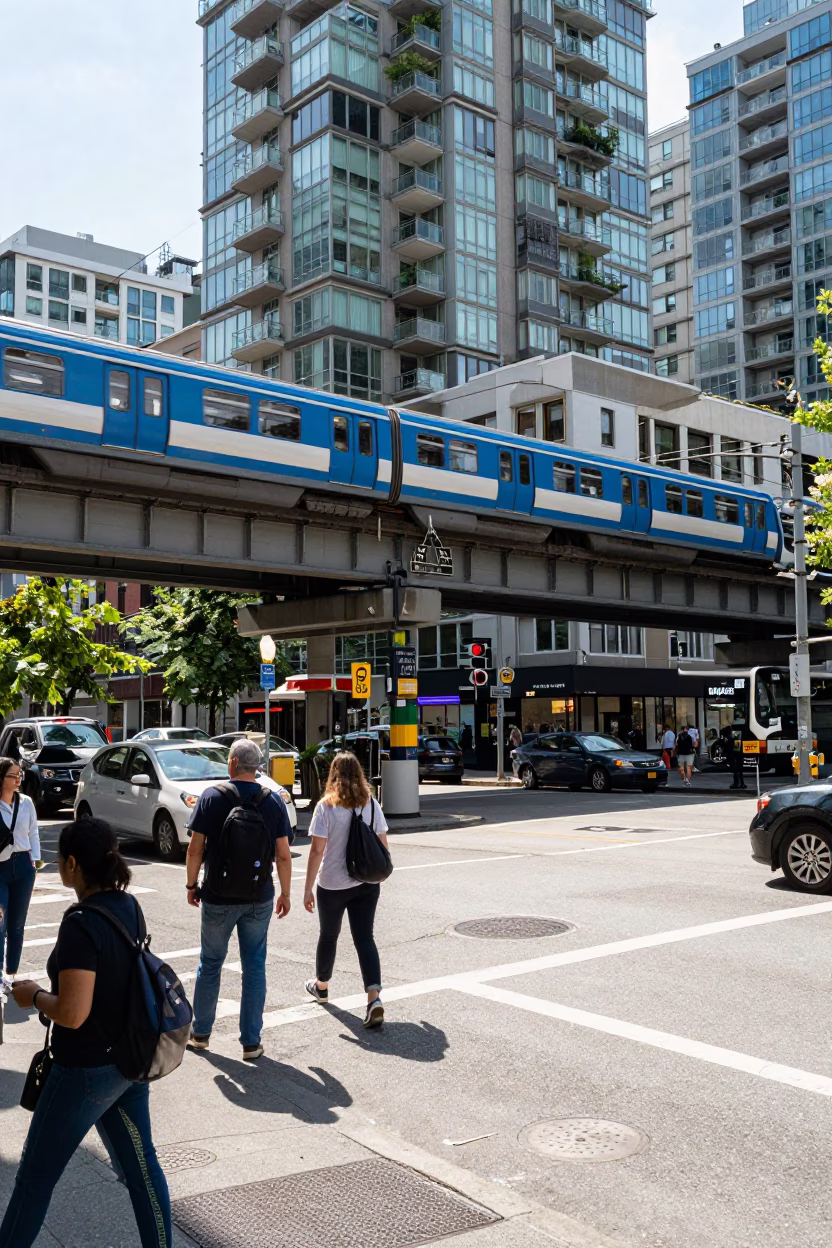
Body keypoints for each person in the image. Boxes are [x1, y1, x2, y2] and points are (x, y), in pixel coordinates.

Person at [1, 819, 171, 1248]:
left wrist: (34, 996)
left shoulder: (80, 922)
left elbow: (73, 1013)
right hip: (128, 1062)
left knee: (34, 1181)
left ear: (72, 864)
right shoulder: (127, 906)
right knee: (143, 1171)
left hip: (84, 1071)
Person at [186, 738, 292, 1060]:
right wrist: (286, 893)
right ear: (257, 768)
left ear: (232, 764)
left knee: (211, 963)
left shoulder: (211, 797)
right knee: (254, 966)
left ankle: (201, 1034)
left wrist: (192, 885)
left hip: (217, 897)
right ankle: (250, 1042)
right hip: (259, 897)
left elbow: (195, 849)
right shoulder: (273, 802)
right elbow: (284, 856)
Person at [303, 752, 389, 1028]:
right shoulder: (372, 804)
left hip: (332, 884)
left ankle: (322, 986)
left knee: (329, 936)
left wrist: (307, 889)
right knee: (365, 938)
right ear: (360, 775)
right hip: (366, 883)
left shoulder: (325, 807)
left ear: (333, 775)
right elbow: (383, 847)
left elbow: (317, 851)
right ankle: (373, 999)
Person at [0, 756, 41, 998]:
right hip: (0, 869)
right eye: (13, 775)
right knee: (1, 924)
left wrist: (35, 862)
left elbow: (34, 833)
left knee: (17, 924)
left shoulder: (26, 803)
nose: (18, 779)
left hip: (24, 867)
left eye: (19, 775)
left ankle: (11, 974)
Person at [723, 725, 747, 790]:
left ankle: (736, 783)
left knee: (735, 770)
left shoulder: (730, 738)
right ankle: (742, 783)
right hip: (739, 754)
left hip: (734, 755)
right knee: (740, 770)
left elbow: (729, 748)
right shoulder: (738, 735)